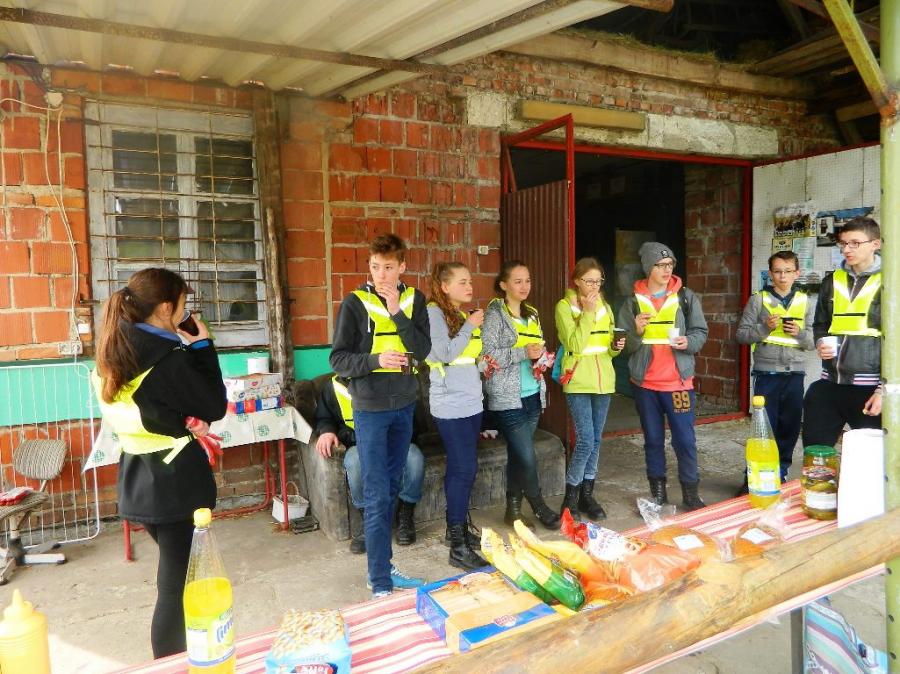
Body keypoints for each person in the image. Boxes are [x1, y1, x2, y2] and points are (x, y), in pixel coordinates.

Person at [93, 268, 226, 658]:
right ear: (166, 308)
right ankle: (167, 663)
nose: (186, 313)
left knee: (177, 580)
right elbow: (214, 404)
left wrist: (181, 420)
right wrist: (202, 347)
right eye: (183, 305)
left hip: (139, 479)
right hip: (174, 485)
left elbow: (149, 408)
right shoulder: (165, 358)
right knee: (174, 590)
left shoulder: (117, 349)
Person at [329, 233, 431, 598]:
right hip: (370, 410)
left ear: (402, 266)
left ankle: (384, 568)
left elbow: (423, 349)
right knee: (375, 493)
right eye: (375, 267)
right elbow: (338, 360)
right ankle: (380, 584)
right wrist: (376, 360)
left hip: (404, 405)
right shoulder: (354, 303)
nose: (381, 275)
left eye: (388, 267)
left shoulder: (415, 299)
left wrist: (396, 312)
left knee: (390, 488)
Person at [617, 242, 708, 510]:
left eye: (670, 264)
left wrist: (688, 342)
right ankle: (658, 494)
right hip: (645, 385)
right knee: (653, 440)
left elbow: (700, 331)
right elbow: (623, 346)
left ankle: (691, 494)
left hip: (678, 384)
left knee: (685, 440)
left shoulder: (686, 297)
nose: (667, 270)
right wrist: (636, 332)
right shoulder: (632, 302)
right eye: (660, 265)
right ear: (648, 267)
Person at [482, 260, 559, 529]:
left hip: (533, 393)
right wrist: (523, 352)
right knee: (527, 456)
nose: (524, 286)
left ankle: (512, 511)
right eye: (517, 281)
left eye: (527, 280)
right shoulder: (495, 315)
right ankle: (538, 505)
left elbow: (537, 345)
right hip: (507, 397)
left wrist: (540, 357)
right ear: (503, 285)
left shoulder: (532, 313)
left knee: (518, 455)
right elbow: (487, 355)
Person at [314, 375, 425, 553]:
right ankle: (369, 521)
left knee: (414, 457)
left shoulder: (392, 380)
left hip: (393, 443)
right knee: (354, 462)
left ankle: (405, 515)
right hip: (358, 444)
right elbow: (323, 417)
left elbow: (412, 422)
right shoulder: (332, 386)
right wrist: (327, 431)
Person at [426, 261, 489, 570]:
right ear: (444, 286)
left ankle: (459, 531)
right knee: (464, 470)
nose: (469, 286)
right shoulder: (434, 313)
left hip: (471, 402)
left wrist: (483, 364)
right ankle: (458, 547)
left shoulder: (460, 315)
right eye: (462, 282)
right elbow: (444, 354)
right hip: (450, 406)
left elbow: (464, 358)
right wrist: (471, 326)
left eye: (470, 281)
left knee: (462, 469)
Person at [736, 251, 814, 489]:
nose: (782, 276)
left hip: (795, 374)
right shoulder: (758, 300)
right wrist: (764, 328)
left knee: (790, 427)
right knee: (763, 429)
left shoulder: (806, 301)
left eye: (788, 271)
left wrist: (799, 333)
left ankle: (779, 473)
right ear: (770, 274)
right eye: (778, 271)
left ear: (797, 273)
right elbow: (742, 335)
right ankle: (753, 478)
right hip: (766, 374)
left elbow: (813, 342)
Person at [555, 257, 625, 521]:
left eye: (598, 281)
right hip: (578, 380)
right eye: (589, 281)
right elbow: (574, 344)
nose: (594, 286)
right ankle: (570, 498)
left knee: (596, 440)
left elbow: (607, 347)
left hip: (604, 380)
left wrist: (615, 347)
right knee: (585, 439)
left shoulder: (605, 306)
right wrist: (587, 312)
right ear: (577, 281)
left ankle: (587, 495)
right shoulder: (564, 307)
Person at [802, 216, 882, 447]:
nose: (847, 249)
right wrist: (820, 342)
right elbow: (821, 324)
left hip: (870, 390)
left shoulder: (891, 281)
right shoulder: (831, 281)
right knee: (816, 454)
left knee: (872, 458)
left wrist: (883, 391)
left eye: (855, 243)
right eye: (843, 243)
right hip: (829, 383)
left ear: (875, 244)